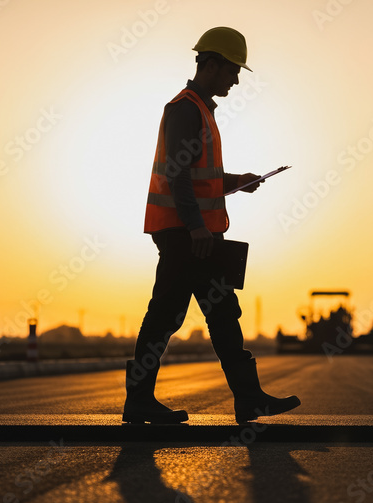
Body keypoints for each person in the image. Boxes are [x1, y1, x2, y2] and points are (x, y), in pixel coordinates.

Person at [123, 27, 300, 424]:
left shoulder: (200, 110)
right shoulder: (186, 109)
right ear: (212, 64)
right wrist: (196, 228)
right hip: (186, 236)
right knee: (169, 316)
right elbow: (178, 175)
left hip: (196, 234)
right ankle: (141, 401)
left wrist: (237, 182)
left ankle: (247, 399)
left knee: (217, 314)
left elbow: (199, 176)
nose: (236, 79)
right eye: (233, 70)